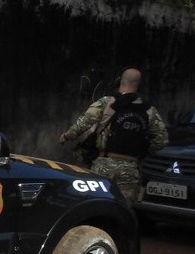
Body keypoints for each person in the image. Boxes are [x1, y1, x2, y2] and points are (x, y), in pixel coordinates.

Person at [59, 67, 168, 203]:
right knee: (122, 209)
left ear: (120, 81)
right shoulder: (149, 110)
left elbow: (83, 123)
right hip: (131, 168)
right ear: (139, 85)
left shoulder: (106, 102)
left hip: (104, 164)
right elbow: (161, 140)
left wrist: (66, 136)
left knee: (96, 204)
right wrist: (144, 152)